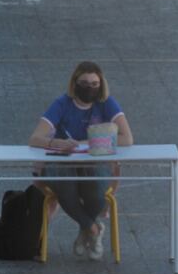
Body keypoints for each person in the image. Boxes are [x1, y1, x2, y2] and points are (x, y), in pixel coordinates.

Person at [28, 61, 133, 260]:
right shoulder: (61, 104)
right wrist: (58, 142)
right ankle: (93, 229)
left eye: (95, 84)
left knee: (96, 190)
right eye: (84, 83)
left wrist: (89, 142)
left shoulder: (107, 103)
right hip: (63, 162)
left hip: (94, 162)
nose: (90, 88)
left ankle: (85, 228)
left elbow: (127, 138)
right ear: (74, 83)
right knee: (65, 187)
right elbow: (34, 138)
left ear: (101, 84)